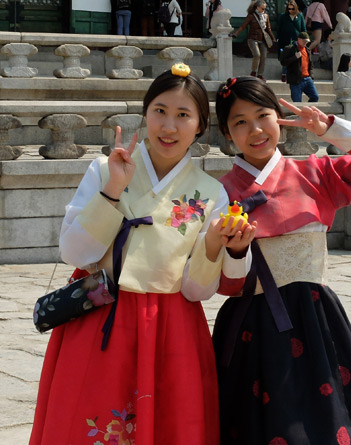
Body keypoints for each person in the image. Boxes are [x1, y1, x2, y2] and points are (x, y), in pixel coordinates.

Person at [29, 65, 257, 444]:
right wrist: (113, 191)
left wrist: (218, 244)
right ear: (146, 113)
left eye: (183, 115)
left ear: (200, 126)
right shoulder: (105, 170)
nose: (169, 126)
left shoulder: (211, 193)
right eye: (160, 111)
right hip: (100, 314)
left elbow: (197, 291)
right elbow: (73, 252)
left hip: (170, 326)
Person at [212, 76, 351, 444]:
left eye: (263, 115)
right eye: (239, 122)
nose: (255, 129)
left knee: (327, 425)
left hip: (317, 322)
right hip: (251, 329)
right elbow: (220, 284)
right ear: (227, 134)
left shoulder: (317, 173)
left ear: (279, 118)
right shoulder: (219, 193)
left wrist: (331, 129)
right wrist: (236, 252)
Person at [231, 1, 276, 81]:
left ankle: (260, 74)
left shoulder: (266, 16)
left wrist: (273, 38)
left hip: (263, 39)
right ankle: (254, 71)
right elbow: (243, 26)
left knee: (264, 56)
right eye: (262, 8)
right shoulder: (251, 16)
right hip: (252, 38)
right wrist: (236, 34)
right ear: (257, 7)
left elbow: (268, 29)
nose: (264, 10)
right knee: (257, 54)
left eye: (265, 9)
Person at [280, 31, 319, 102]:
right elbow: (283, 62)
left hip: (307, 79)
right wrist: (295, 57)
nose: (305, 43)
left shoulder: (307, 50)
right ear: (299, 39)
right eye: (304, 41)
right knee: (297, 102)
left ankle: (307, 111)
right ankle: (300, 112)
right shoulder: (290, 48)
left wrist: (311, 76)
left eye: (307, 41)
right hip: (296, 80)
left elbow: (310, 65)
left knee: (315, 97)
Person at [277, 1, 306, 82]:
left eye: (292, 8)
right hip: (284, 40)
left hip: (296, 40)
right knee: (285, 56)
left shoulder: (300, 16)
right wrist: (278, 38)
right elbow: (279, 28)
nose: (290, 10)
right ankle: (284, 73)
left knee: (295, 56)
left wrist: (304, 38)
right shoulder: (283, 16)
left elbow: (303, 29)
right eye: (289, 8)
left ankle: (293, 74)